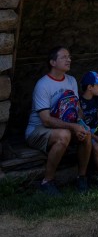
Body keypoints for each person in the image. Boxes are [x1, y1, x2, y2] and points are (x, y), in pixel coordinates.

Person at [25, 46, 92, 196]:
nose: (69, 60)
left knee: (86, 133)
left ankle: (82, 178)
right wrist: (73, 127)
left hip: (65, 127)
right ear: (53, 62)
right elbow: (46, 120)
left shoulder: (71, 80)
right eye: (64, 57)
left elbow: (77, 109)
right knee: (64, 135)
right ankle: (47, 182)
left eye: (69, 57)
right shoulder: (43, 85)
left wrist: (79, 124)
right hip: (37, 130)